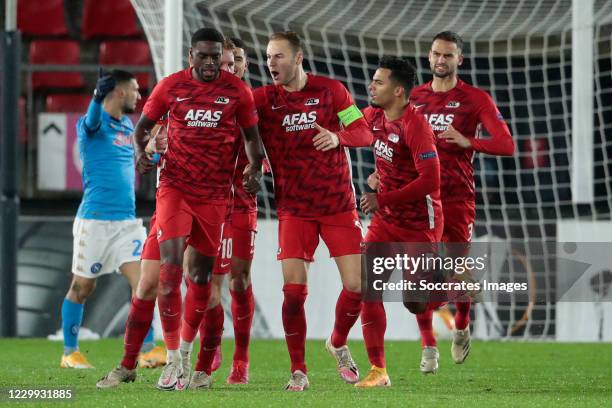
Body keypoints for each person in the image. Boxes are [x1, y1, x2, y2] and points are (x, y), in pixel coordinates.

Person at [97, 28, 264, 391]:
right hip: (173, 190)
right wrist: (142, 152)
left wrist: (255, 168)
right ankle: (162, 360)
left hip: (218, 198)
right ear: (191, 56)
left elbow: (254, 141)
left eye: (216, 57)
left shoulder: (238, 93)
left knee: (203, 281)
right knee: (161, 277)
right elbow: (142, 128)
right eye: (204, 56)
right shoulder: (170, 87)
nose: (210, 64)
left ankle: (195, 360)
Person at [253, 31, 377, 391]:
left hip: (338, 204)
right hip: (294, 208)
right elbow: (235, 124)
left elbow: (364, 132)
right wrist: (254, 158)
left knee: (357, 286)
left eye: (278, 57)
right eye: (268, 57)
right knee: (293, 292)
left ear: (298, 58)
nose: (271, 64)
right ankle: (298, 370)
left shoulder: (332, 91)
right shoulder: (263, 99)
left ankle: (337, 341)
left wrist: (339, 137)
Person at [409, 30, 515, 373]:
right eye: (437, 54)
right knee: (419, 274)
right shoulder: (413, 98)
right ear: (428, 56)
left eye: (448, 55)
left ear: (459, 60)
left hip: (456, 198)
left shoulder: (475, 99)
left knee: (458, 273)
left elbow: (506, 145)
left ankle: (462, 325)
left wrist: (468, 141)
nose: (441, 60)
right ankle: (428, 348)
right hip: (419, 197)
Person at [60, 69, 160, 369]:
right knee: (82, 288)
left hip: (126, 224)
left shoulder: (127, 125)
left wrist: (156, 152)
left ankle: (148, 349)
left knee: (144, 283)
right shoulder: (90, 124)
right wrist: (95, 97)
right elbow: (91, 123)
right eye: (135, 90)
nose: (139, 96)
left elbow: (143, 159)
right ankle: (69, 352)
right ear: (118, 92)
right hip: (95, 222)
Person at [359, 56, 443, 387]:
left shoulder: (415, 125)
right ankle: (378, 370)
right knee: (370, 288)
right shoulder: (370, 115)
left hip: (420, 221)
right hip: (385, 220)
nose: (371, 86)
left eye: (378, 82)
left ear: (398, 91)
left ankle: (448, 281)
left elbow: (431, 181)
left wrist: (384, 196)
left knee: (414, 301)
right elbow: (344, 121)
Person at [191, 36, 259, 386]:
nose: (229, 67)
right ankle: (211, 344)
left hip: (241, 206)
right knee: (208, 283)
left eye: (236, 62)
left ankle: (242, 360)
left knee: (239, 280)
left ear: (244, 65)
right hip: (209, 203)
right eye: (225, 62)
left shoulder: (254, 101)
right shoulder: (200, 99)